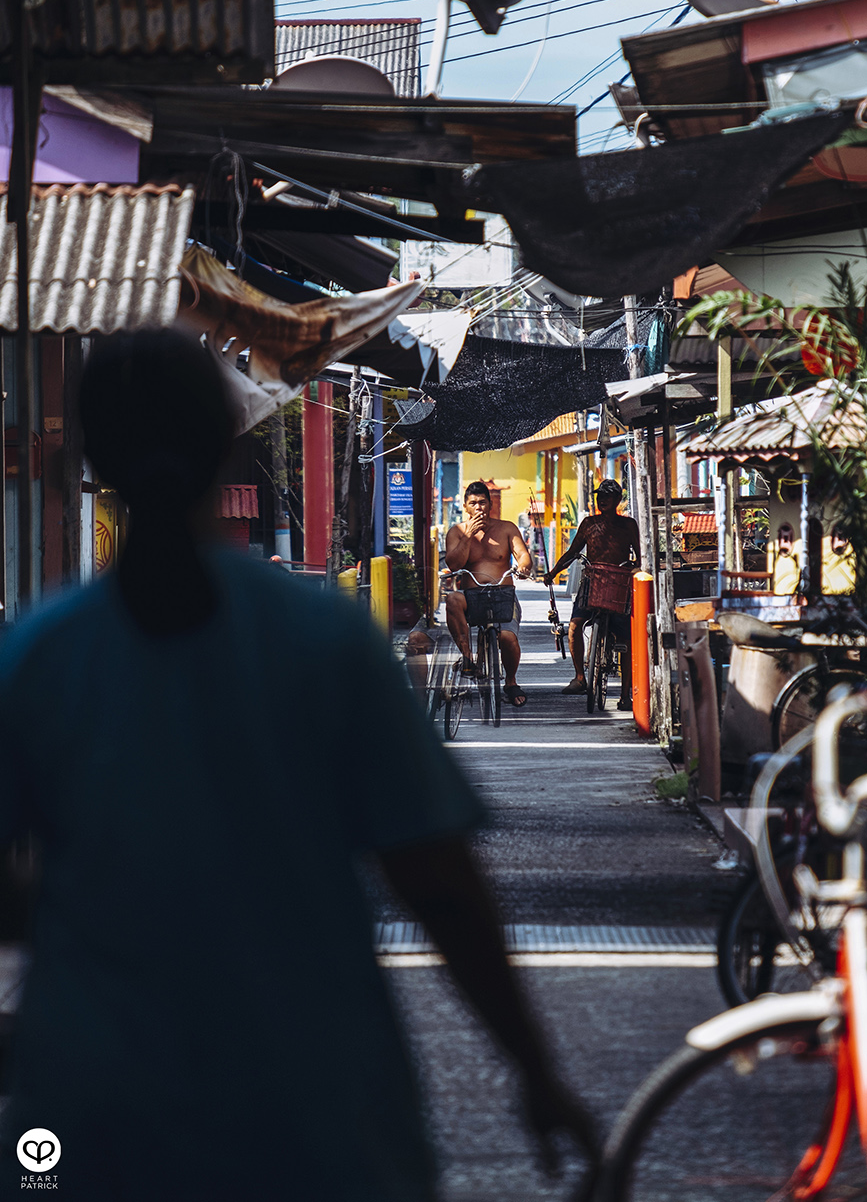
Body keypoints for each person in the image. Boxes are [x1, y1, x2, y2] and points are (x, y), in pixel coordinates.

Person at [0, 331, 597, 1201]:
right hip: (313, 1105)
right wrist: (533, 1071)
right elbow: (437, 881)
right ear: (224, 446)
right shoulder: (321, 643)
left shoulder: (40, 658)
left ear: (92, 462)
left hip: (90, 1113)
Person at [545, 478, 640, 709]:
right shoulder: (589, 523)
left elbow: (640, 554)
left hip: (618, 584)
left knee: (626, 640)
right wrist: (553, 572)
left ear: (618, 500)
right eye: (600, 495)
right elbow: (573, 552)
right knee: (575, 625)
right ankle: (580, 678)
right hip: (593, 582)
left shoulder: (628, 525)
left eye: (608, 496)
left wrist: (638, 569)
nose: (602, 499)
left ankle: (625, 695)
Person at [444, 481, 533, 708]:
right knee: (452, 599)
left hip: (503, 594)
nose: (479, 508)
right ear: (465, 507)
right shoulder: (456, 532)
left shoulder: (506, 528)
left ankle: (511, 682)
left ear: (490, 504)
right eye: (473, 503)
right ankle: (467, 658)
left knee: (507, 638)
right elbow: (454, 564)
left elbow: (523, 555)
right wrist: (469, 535)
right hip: (472, 596)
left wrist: (523, 567)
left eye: (483, 502)